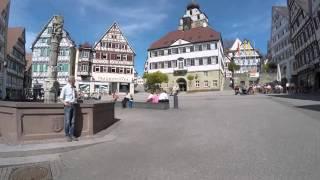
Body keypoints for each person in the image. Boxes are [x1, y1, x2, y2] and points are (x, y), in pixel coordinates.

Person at [60, 76, 78, 142]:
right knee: (67, 121)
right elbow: (61, 98)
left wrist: (77, 97)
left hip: (73, 105)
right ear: (71, 81)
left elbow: (75, 97)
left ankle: (72, 135)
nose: (75, 81)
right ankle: (67, 135)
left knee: (73, 121)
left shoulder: (74, 88)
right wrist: (65, 103)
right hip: (68, 105)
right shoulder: (65, 88)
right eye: (74, 80)